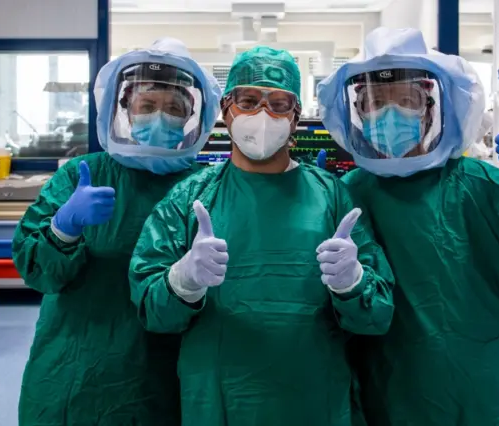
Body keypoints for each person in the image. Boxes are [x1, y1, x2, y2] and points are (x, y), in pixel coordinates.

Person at [317, 27, 499, 426]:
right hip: (390, 391)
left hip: (481, 393)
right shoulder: (349, 194)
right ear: (359, 114)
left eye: (406, 101)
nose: (390, 114)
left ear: (433, 108)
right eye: (375, 102)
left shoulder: (483, 187)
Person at [129, 45, 395, 426]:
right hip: (218, 395)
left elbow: (378, 315)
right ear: (226, 110)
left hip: (313, 394)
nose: (262, 116)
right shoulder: (191, 198)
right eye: (249, 101)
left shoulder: (332, 196)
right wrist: (182, 281)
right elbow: (151, 311)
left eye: (279, 104)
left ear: (296, 118)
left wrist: (353, 282)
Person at [12, 38, 221, 426]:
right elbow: (37, 271)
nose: (160, 117)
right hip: (79, 370)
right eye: (147, 106)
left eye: (175, 109)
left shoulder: (206, 187)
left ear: (193, 117)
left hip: (168, 372)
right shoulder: (81, 176)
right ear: (124, 108)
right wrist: (64, 229)